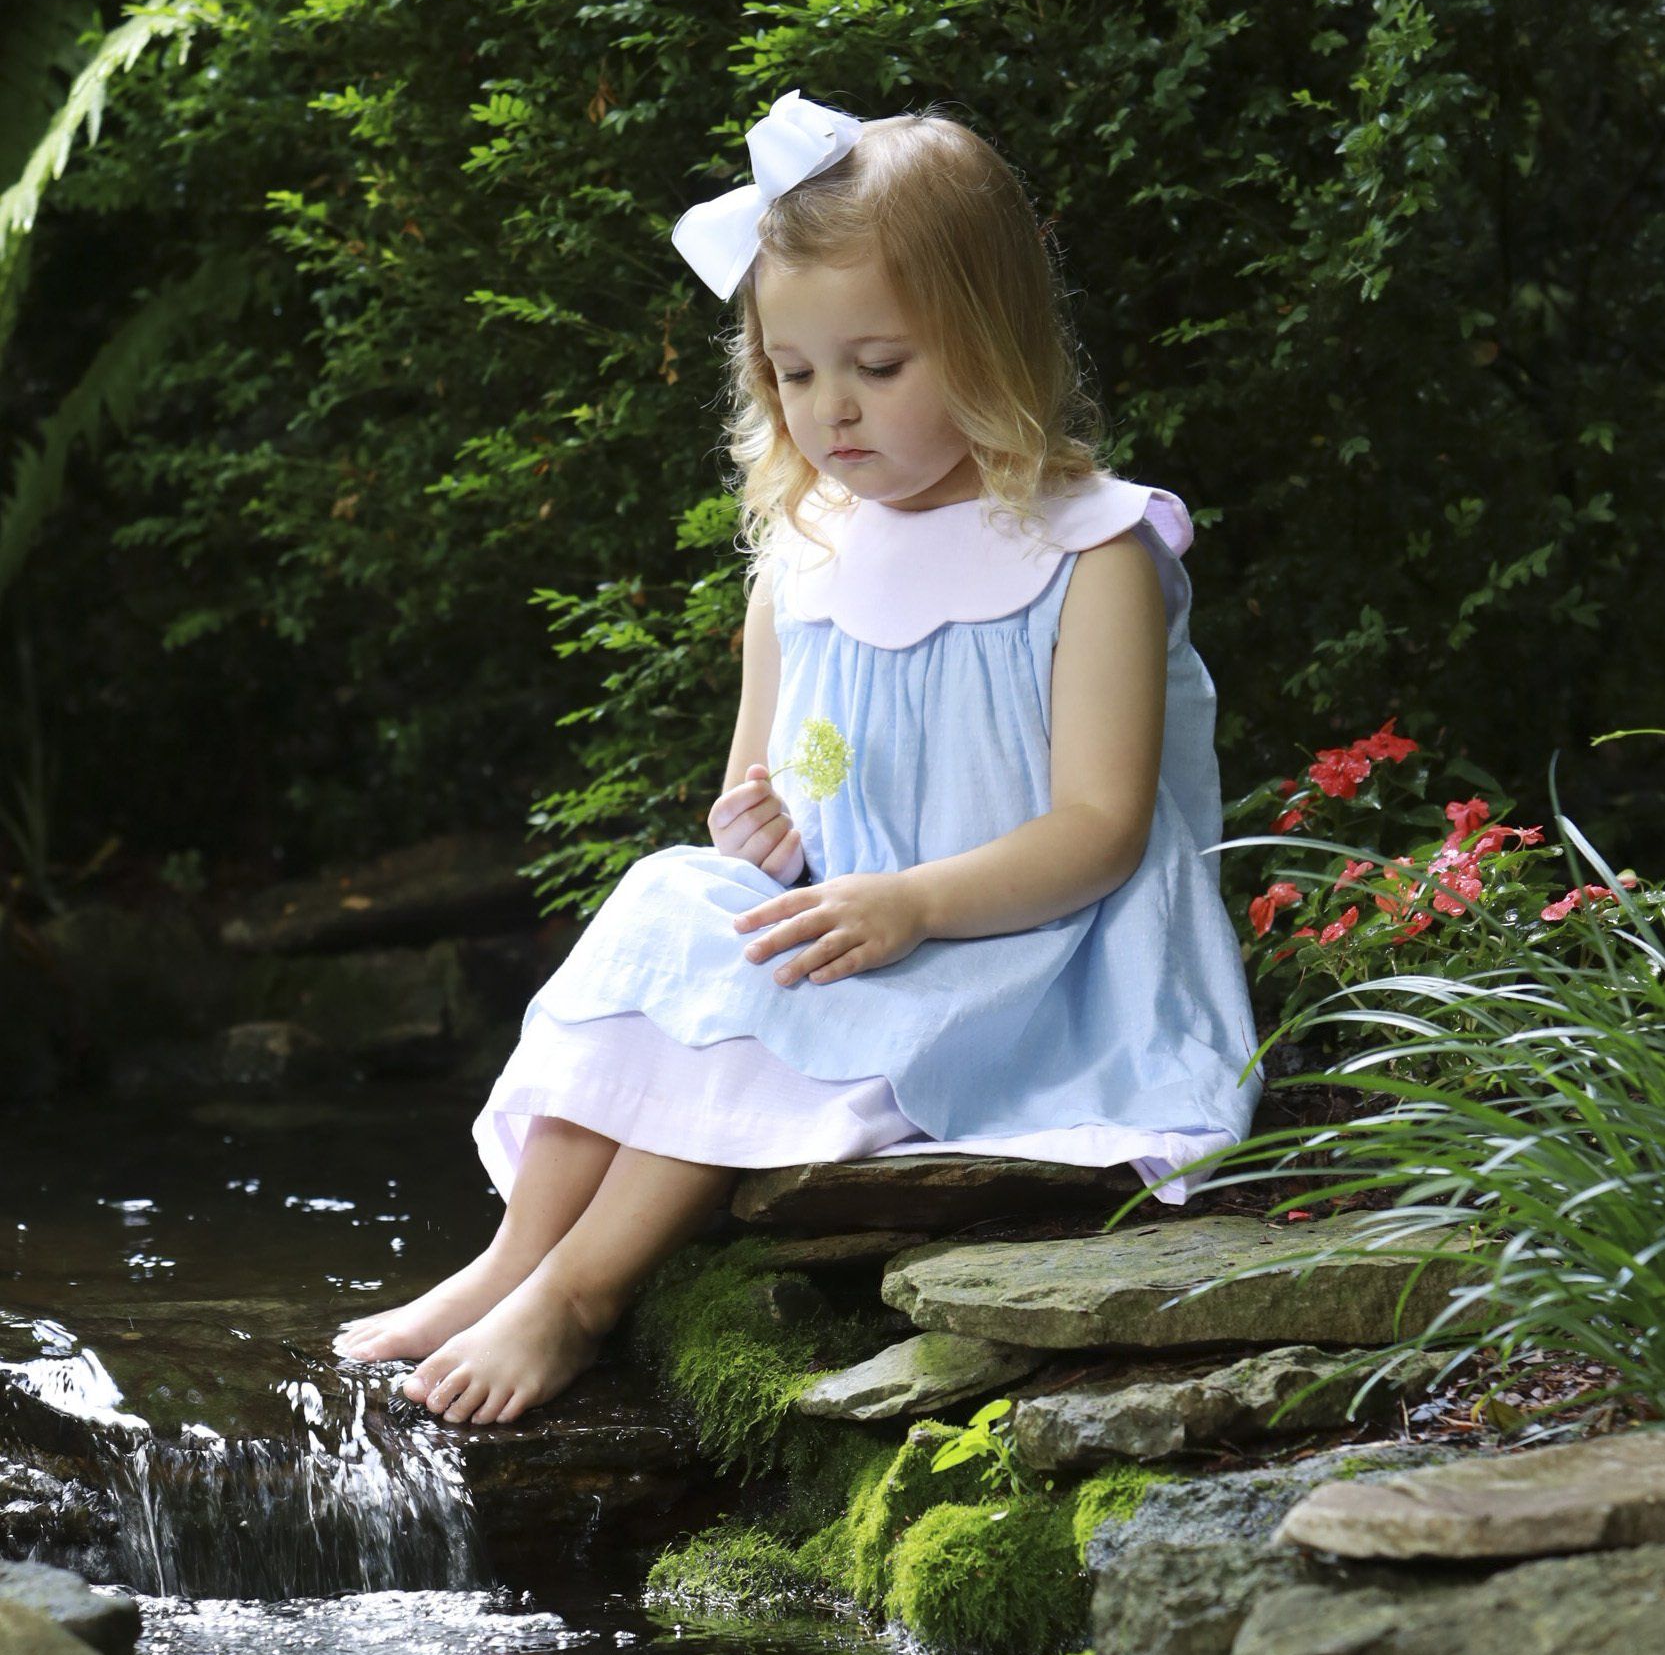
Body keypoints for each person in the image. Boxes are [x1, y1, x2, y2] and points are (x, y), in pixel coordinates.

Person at [335, 88, 1264, 1426]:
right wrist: (764, 837)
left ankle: (583, 1292)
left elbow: (1100, 829)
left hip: (1026, 967)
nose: (832, 409)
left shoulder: (1092, 551)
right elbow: (764, 811)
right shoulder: (804, 558)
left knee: (767, 984)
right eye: (794, 371)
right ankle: (510, 1252)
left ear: (987, 339)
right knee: (674, 896)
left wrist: (912, 902)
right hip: (859, 935)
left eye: (877, 366)